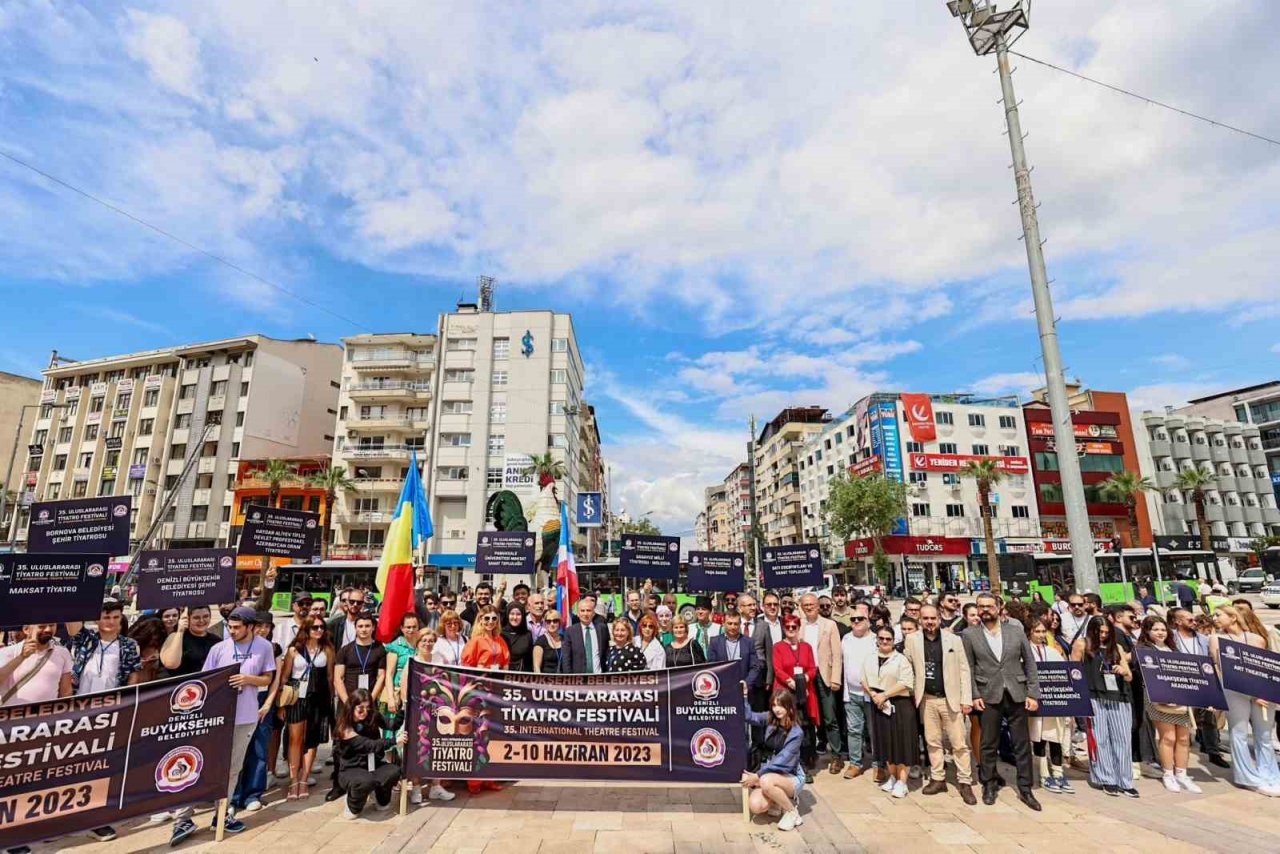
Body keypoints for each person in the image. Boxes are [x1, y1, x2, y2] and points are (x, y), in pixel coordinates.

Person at [171, 607, 275, 846]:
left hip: (245, 716)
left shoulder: (264, 647)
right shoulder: (219, 649)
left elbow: (267, 678)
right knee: (199, 765)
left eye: (237, 627)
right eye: (230, 627)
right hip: (217, 718)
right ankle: (183, 818)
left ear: (250, 627)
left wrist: (248, 680)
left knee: (232, 769)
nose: (232, 631)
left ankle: (222, 814)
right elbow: (205, 681)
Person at [962, 592, 1041, 811]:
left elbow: (1030, 663)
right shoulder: (969, 635)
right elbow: (968, 667)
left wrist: (1033, 694)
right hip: (988, 694)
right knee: (988, 742)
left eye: (989, 606)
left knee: (1021, 743)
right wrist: (974, 695)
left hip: (1016, 692)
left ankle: (1025, 788)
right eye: (981, 606)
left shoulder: (1015, 631)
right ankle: (989, 784)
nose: (985, 610)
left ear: (998, 607)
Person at [906, 604, 976, 804]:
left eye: (933, 618)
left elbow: (964, 670)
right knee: (933, 741)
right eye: (925, 618)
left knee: (959, 743)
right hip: (927, 699)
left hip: (950, 699)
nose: (929, 622)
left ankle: (965, 781)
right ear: (920, 620)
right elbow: (909, 667)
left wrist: (966, 699)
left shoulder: (953, 640)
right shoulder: (912, 640)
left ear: (939, 619)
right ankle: (938, 778)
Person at [1210, 606, 1280, 796]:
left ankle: (1270, 774)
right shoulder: (1216, 638)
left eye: (1218, 614)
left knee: (1264, 733)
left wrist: (1263, 692)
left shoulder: (1257, 639)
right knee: (1238, 732)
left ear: (1233, 617)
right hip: (1233, 690)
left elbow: (1262, 667)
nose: (1214, 618)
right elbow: (1220, 667)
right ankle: (1247, 777)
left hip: (1261, 692)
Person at [1071, 618, 1136, 797]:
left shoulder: (1117, 647)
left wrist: (1123, 670)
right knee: (1100, 738)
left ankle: (1125, 780)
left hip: (1119, 695)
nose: (1103, 635)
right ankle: (1106, 778)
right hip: (1094, 696)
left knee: (1122, 738)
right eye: (1100, 632)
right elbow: (1074, 671)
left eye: (1107, 632)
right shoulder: (1082, 644)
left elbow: (1129, 676)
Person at [1136, 616, 1201, 794]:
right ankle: (1168, 774)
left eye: (1163, 629)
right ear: (1147, 631)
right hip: (1159, 698)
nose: (1160, 633)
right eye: (1156, 629)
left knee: (1183, 738)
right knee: (1168, 737)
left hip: (1180, 697)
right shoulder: (1143, 650)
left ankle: (1182, 774)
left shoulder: (1173, 648)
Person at [278, 616, 335, 800]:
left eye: (321, 627)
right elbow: (285, 677)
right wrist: (281, 704)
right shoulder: (294, 650)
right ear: (307, 629)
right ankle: (293, 779)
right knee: (295, 738)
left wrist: (330, 700)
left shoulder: (327, 649)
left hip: (318, 697)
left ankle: (304, 778)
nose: (319, 630)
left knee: (312, 738)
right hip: (296, 697)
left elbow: (330, 677)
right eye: (315, 627)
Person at [398, 631, 456, 804]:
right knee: (417, 749)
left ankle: (436, 786)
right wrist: (410, 710)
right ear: (417, 642)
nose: (427, 643)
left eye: (431, 640)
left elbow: (447, 683)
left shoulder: (439, 659)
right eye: (424, 640)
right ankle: (416, 787)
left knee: (437, 746)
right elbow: (404, 688)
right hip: (417, 712)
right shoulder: (412, 661)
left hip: (437, 711)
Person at [334, 689, 407, 819]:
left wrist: (403, 709)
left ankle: (380, 798)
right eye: (360, 709)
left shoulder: (372, 716)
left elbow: (392, 725)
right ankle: (352, 805)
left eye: (368, 708)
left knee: (393, 772)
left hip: (374, 764)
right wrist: (395, 741)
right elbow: (369, 746)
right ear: (352, 707)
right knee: (364, 781)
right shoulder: (344, 727)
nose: (365, 712)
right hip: (352, 768)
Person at [862, 627, 917, 799]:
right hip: (879, 704)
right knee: (886, 742)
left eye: (888, 639)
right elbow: (864, 679)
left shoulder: (901, 659)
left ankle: (902, 782)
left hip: (899, 704)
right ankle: (892, 777)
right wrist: (874, 695)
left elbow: (906, 682)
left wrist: (885, 695)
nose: (884, 642)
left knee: (901, 744)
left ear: (893, 641)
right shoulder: (870, 658)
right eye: (881, 638)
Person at [741, 689, 807, 832]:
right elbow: (748, 716)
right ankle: (777, 801)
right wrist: (744, 696)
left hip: (791, 776)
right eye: (774, 705)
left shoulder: (797, 732)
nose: (777, 709)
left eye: (781, 705)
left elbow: (782, 760)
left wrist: (758, 775)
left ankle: (792, 812)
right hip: (769, 773)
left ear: (789, 707)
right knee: (756, 806)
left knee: (765, 781)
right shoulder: (770, 718)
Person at [1027, 620, 1073, 794]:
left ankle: (1058, 772)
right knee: (1039, 737)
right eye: (1036, 631)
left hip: (1054, 701)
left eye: (1042, 631)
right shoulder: (1026, 652)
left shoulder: (1053, 652)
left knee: (1055, 737)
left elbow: (1064, 674)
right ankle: (1044, 773)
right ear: (1030, 632)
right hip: (1036, 702)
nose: (1040, 635)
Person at [773, 614, 818, 774]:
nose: (791, 629)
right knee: (786, 727)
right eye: (788, 627)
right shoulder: (778, 647)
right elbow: (778, 669)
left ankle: (804, 763)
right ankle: (786, 763)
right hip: (785, 692)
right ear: (784, 628)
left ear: (799, 628)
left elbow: (812, 668)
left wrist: (804, 679)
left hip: (804, 693)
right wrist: (792, 682)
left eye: (794, 627)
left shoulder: (806, 647)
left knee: (804, 726)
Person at [839, 602, 878, 780]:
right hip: (852, 694)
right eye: (853, 619)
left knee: (874, 731)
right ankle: (855, 763)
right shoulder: (846, 639)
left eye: (860, 619)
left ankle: (878, 764)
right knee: (854, 730)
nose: (856, 622)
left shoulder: (876, 639)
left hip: (872, 695)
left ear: (868, 621)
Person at [383, 612, 421, 711]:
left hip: (418, 693)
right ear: (402, 628)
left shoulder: (422, 644)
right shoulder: (395, 646)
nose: (411, 630)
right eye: (408, 627)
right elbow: (389, 675)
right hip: (398, 693)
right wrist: (391, 698)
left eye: (414, 627)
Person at [709, 613, 760, 686]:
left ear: (740, 624)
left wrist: (747, 683)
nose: (733, 627)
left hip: (743, 687)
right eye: (729, 623)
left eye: (736, 624)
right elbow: (711, 667)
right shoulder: (715, 642)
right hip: (722, 686)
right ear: (723, 624)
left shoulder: (749, 642)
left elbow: (755, 667)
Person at [564, 598, 609, 674]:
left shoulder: (602, 629)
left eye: (588, 610)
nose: (585, 614)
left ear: (593, 613)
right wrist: (569, 677)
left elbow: (606, 652)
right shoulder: (570, 631)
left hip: (599, 676)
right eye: (582, 611)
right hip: (578, 678)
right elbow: (566, 658)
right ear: (578, 613)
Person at [461, 605, 510, 670]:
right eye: (487, 618)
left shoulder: (500, 640)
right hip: (481, 674)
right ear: (480, 620)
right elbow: (467, 664)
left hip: (497, 674)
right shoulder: (475, 641)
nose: (490, 621)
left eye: (494, 618)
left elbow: (506, 662)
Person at [500, 603, 534, 672]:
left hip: (521, 674)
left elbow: (530, 660)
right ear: (507, 615)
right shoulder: (500, 634)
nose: (515, 617)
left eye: (518, 614)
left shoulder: (527, 634)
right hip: (501, 674)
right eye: (512, 614)